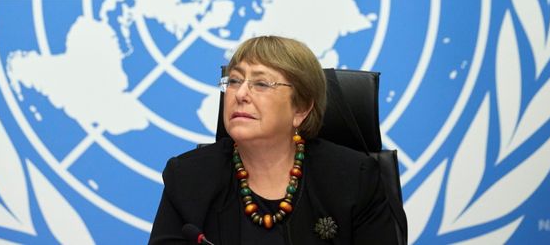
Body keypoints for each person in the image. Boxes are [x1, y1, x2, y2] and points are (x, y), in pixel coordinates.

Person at [149, 35, 402, 244]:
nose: (241, 94)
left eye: (261, 84)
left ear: (301, 109)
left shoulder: (354, 178)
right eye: (235, 81)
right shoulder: (187, 177)